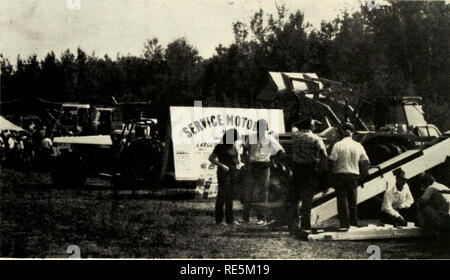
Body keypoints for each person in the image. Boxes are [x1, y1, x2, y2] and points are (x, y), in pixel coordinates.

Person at [242, 119, 285, 225]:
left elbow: (281, 152)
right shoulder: (251, 137)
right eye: (259, 126)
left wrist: (272, 160)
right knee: (248, 192)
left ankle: (262, 218)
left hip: (264, 166)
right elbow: (245, 149)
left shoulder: (270, 138)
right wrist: (246, 159)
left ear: (266, 128)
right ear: (256, 127)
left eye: (263, 127)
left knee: (263, 192)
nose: (261, 129)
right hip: (252, 166)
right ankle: (245, 218)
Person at [289, 118, 327, 234]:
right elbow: (324, 155)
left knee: (294, 198)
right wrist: (320, 170)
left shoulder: (295, 136)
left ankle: (293, 225)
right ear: (311, 127)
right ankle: (305, 225)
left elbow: (294, 127)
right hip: (310, 169)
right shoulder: (316, 138)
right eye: (313, 125)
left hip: (297, 169)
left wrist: (299, 123)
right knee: (307, 198)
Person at [329, 122, 370, 230]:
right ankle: (353, 223)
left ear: (342, 132)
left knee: (342, 201)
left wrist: (332, 176)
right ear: (352, 133)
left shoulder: (338, 145)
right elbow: (365, 162)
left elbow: (332, 161)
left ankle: (344, 224)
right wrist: (362, 177)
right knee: (353, 201)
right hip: (353, 176)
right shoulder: (358, 145)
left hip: (340, 176)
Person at [209, 129, 241, 226]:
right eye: (233, 139)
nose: (234, 141)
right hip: (223, 172)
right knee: (222, 195)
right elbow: (211, 158)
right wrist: (222, 165)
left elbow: (235, 157)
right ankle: (219, 220)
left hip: (233, 172)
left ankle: (230, 220)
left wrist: (239, 163)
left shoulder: (234, 145)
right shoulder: (220, 146)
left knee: (230, 196)